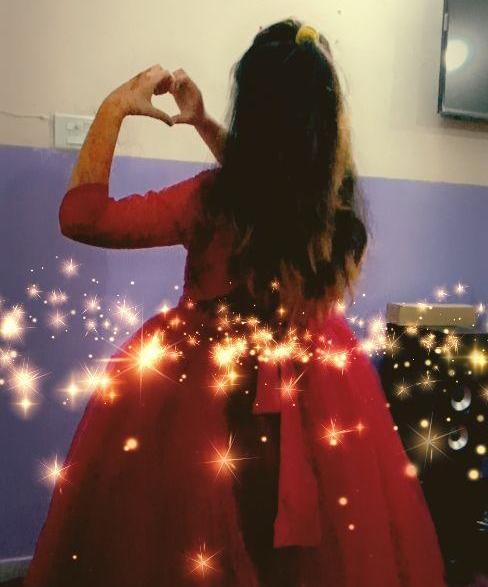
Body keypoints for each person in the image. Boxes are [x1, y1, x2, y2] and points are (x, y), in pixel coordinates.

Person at [24, 18, 447, 587]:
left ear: (250, 109)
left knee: (201, 544)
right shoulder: (333, 205)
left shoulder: (211, 202)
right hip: (308, 390)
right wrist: (202, 123)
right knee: (301, 549)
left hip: (206, 396)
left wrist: (114, 107)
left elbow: (82, 217)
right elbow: (270, 181)